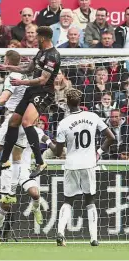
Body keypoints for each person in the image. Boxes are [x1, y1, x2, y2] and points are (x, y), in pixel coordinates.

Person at [0, 50, 47, 243]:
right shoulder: (26, 76)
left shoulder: (13, 77)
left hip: (14, 120)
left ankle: (36, 207)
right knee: (6, 202)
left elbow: (4, 98)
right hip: (21, 125)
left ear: (6, 61)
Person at [0, 26, 61, 176]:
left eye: (37, 37)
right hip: (32, 91)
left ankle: (40, 162)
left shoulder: (53, 56)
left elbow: (43, 80)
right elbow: (28, 69)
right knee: (13, 122)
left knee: (26, 123)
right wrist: (8, 66)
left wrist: (22, 83)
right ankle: (4, 160)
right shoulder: (40, 52)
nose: (35, 39)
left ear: (42, 38)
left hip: (44, 93)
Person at [54, 88, 115, 247]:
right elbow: (111, 137)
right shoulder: (92, 116)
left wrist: (47, 141)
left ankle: (60, 232)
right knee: (90, 200)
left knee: (68, 200)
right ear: (80, 102)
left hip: (71, 164)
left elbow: (58, 151)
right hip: (88, 163)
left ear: (67, 102)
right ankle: (93, 238)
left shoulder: (63, 123)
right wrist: (99, 152)